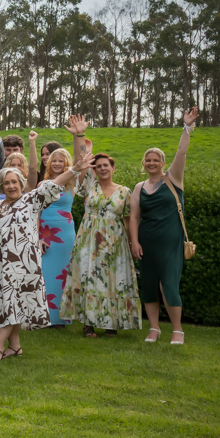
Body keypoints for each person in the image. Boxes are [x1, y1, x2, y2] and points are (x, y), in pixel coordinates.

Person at [0, 157, 85, 361]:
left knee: (12, 303)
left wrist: (74, 170)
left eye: (14, 182)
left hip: (22, 264)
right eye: (6, 183)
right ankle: (15, 346)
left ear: (21, 183)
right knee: (9, 303)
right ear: (1, 186)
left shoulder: (31, 201)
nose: (11, 186)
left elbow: (53, 185)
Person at [59, 117, 142, 336]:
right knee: (88, 277)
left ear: (113, 168)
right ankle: (88, 323)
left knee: (113, 279)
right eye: (98, 166)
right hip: (89, 239)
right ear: (94, 170)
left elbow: (129, 219)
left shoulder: (125, 191)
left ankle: (111, 323)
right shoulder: (89, 185)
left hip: (115, 241)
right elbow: (81, 160)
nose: (102, 168)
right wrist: (79, 135)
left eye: (106, 165)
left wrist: (131, 243)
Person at [130, 107, 198, 344]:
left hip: (171, 240)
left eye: (155, 160)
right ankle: (154, 328)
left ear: (162, 162)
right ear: (143, 163)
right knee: (149, 284)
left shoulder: (174, 179)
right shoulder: (139, 187)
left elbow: (182, 152)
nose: (151, 163)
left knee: (167, 283)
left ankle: (177, 330)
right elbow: (134, 217)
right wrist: (135, 242)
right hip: (146, 240)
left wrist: (186, 127)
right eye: (148, 160)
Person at [35, 144, 76, 326]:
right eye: (55, 161)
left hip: (65, 234)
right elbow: (36, 212)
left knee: (64, 274)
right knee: (45, 273)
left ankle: (62, 317)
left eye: (61, 161)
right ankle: (44, 316)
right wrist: (37, 237)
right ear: (49, 163)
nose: (57, 164)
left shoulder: (72, 184)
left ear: (67, 163)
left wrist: (78, 137)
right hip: (45, 233)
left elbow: (81, 163)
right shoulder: (42, 185)